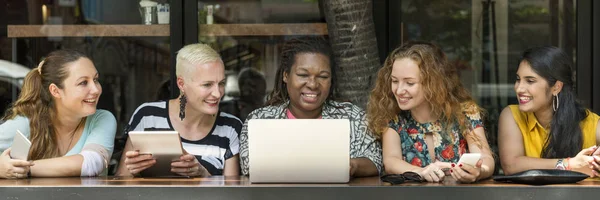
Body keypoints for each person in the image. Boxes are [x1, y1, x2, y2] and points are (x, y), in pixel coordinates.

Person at [239, 37, 383, 177]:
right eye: (303, 75)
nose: (313, 84)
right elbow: (248, 165)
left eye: (323, 76)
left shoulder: (353, 117)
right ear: (285, 75)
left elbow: (376, 161)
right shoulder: (260, 120)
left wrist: (354, 165)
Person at [367, 41, 494, 183]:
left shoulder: (465, 112)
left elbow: (486, 159)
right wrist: (421, 172)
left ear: (433, 83)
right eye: (395, 81)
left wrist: (478, 171)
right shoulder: (393, 115)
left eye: (409, 83)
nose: (399, 90)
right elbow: (391, 161)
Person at [116, 43, 242, 177]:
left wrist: (202, 173)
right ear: (181, 84)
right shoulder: (147, 116)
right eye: (207, 85)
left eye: (221, 83)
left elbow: (231, 192)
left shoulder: (231, 127)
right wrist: (132, 171)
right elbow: (121, 181)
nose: (218, 93)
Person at [0, 49, 116, 179]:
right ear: (55, 91)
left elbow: (92, 163)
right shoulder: (27, 123)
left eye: (95, 79)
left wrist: (24, 169)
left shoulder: (102, 119)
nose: (96, 89)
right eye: (83, 82)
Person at [498, 46, 600, 176]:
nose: (519, 88)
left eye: (530, 81)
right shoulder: (512, 115)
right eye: (518, 79)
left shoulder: (589, 122)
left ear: (556, 87)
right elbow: (511, 165)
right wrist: (569, 164)